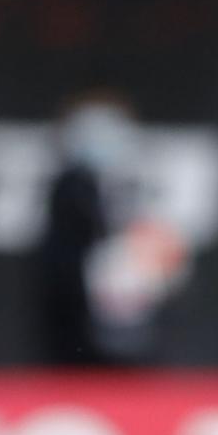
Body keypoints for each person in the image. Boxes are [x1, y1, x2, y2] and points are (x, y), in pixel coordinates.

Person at [32, 89, 188, 367]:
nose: (101, 139)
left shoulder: (130, 190)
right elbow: (63, 272)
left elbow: (163, 258)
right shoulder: (70, 191)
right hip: (76, 349)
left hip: (133, 343)